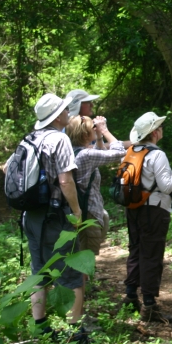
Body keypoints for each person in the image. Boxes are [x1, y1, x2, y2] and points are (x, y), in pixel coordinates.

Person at [18, 93, 88, 343]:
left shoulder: (29, 139)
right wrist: (77, 211)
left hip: (31, 216)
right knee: (71, 272)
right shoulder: (60, 139)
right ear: (57, 116)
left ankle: (40, 326)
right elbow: (65, 180)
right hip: (56, 216)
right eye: (64, 109)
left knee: (39, 272)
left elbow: (8, 168)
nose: (68, 112)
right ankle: (74, 332)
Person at [121, 112, 172, 322]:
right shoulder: (157, 155)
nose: (161, 130)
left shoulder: (131, 151)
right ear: (154, 133)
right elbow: (167, 186)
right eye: (159, 127)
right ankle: (149, 305)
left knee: (135, 249)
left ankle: (131, 295)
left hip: (132, 208)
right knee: (151, 254)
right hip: (153, 210)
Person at [65, 116, 126, 290]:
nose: (96, 128)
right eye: (93, 127)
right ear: (85, 134)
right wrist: (105, 130)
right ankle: (79, 307)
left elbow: (101, 155)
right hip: (88, 214)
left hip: (80, 212)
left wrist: (98, 136)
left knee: (80, 257)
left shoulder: (74, 152)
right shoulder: (86, 155)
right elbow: (119, 152)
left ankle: (80, 299)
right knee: (84, 261)